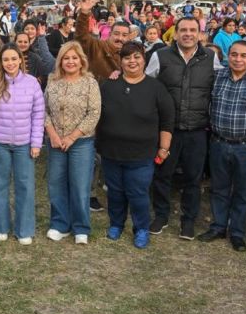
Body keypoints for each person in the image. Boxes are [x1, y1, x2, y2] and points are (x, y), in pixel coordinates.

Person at [146, 17, 219, 240]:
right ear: (175, 33)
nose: (188, 34)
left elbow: (226, 80)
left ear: (200, 34)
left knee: (193, 178)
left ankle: (188, 221)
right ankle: (161, 215)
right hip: (168, 129)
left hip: (197, 130)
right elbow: (145, 83)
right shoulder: (160, 56)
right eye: (183, 30)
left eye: (193, 30)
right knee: (162, 174)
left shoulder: (211, 57)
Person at [197, 40, 246, 251]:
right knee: (219, 189)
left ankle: (237, 232)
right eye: (234, 55)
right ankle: (218, 226)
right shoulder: (218, 77)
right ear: (227, 56)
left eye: (243, 56)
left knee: (242, 192)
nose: (238, 59)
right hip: (219, 143)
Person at [96, 42, 173, 249]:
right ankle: (116, 224)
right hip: (111, 152)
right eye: (127, 57)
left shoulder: (156, 88)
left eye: (137, 57)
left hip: (141, 155)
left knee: (137, 193)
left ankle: (141, 228)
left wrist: (164, 148)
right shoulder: (108, 85)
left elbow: (167, 121)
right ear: (120, 61)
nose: (132, 61)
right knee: (115, 191)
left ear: (144, 60)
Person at [43, 41, 100, 244]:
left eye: (74, 57)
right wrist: (53, 135)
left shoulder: (90, 83)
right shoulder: (53, 81)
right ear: (60, 61)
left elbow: (94, 113)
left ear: (81, 60)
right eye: (66, 58)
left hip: (81, 142)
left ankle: (81, 227)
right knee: (56, 184)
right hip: (56, 141)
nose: (70, 61)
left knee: (80, 185)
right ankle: (60, 224)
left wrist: (71, 137)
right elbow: (44, 110)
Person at [0, 44, 44, 245]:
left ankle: (24, 228)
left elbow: (38, 115)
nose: (10, 63)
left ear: (20, 60)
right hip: (0, 144)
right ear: (0, 62)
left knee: (25, 186)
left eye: (14, 59)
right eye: (6, 60)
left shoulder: (31, 83)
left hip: (24, 144)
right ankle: (1, 226)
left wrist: (36, 142)